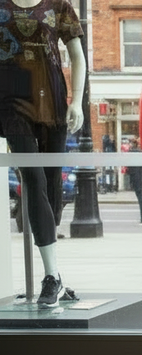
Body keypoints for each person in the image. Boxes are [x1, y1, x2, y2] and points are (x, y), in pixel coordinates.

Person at [0, 0, 85, 306]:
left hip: (52, 101)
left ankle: (56, 275)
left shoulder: (58, 6)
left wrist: (76, 103)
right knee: (33, 180)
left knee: (51, 188)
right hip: (11, 103)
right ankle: (52, 276)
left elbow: (76, 54)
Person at [127, 138, 142, 223]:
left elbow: (130, 168)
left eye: (129, 143)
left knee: (141, 199)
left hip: (136, 179)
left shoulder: (130, 154)